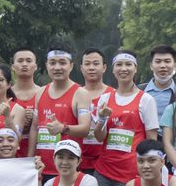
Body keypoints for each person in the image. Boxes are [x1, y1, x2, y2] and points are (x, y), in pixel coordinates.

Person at [90, 50, 161, 186]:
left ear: (135, 69)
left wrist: (149, 169)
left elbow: (152, 140)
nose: (124, 69)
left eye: (128, 65)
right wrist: (102, 118)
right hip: (105, 169)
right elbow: (99, 137)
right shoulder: (105, 99)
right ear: (113, 70)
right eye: (119, 65)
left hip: (131, 171)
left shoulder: (146, 100)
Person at [29, 48, 93, 177]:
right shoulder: (40, 92)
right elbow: (34, 128)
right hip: (41, 168)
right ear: (47, 65)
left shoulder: (81, 93)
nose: (57, 67)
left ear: (71, 66)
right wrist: (29, 159)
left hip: (67, 171)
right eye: (52, 63)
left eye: (62, 63)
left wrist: (62, 128)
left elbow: (85, 129)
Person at [76, 47, 113, 177]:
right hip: (77, 161)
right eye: (87, 64)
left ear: (104, 67)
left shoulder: (113, 95)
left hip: (105, 163)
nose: (91, 67)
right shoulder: (74, 95)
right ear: (81, 68)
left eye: (96, 64)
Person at [9, 49, 44, 158]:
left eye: (29, 61)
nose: (24, 64)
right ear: (13, 66)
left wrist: (35, 119)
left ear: (35, 66)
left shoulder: (43, 93)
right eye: (20, 61)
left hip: (38, 155)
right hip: (9, 154)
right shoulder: (5, 94)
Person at [141, 44, 176, 116]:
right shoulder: (138, 91)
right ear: (151, 66)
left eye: (167, 61)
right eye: (158, 61)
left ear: (175, 66)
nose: (162, 66)